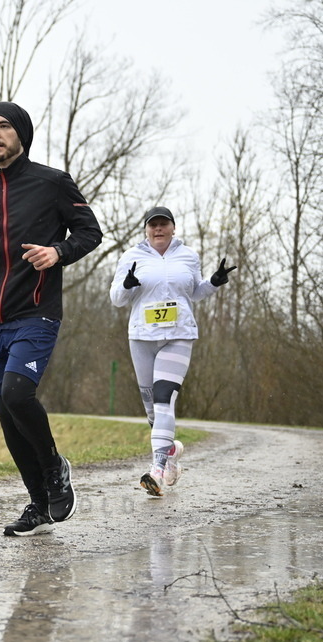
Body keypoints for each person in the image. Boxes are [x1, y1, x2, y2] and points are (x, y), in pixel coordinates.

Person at [0, 101, 103, 536]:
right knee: (8, 417)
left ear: (21, 134)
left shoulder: (52, 183)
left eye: (3, 126)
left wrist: (57, 252)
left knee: (19, 395)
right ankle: (38, 505)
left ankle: (55, 467)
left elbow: (90, 232)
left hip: (36, 312)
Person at [109, 206, 236, 496]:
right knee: (152, 408)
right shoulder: (132, 257)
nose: (158, 229)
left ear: (173, 228)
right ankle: (171, 452)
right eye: (153, 225)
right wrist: (127, 286)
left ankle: (156, 468)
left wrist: (214, 283)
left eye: (163, 224)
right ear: (146, 230)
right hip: (142, 337)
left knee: (165, 398)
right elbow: (116, 298)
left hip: (178, 334)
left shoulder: (188, 256)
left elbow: (195, 292)